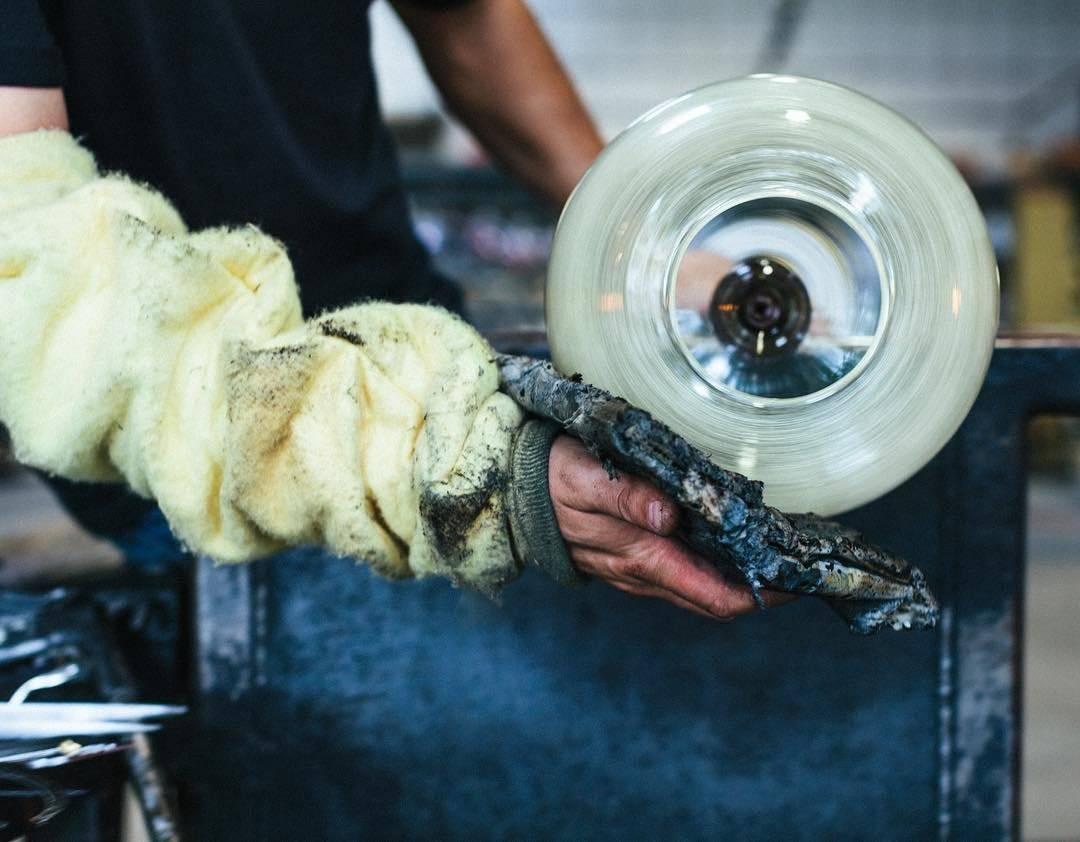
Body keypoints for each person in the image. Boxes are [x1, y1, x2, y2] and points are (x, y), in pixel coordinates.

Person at [0, 0, 786, 620]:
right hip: (197, 445)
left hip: (420, 353)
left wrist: (638, 239)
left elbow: (464, 17)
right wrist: (454, 464)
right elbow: (41, 266)